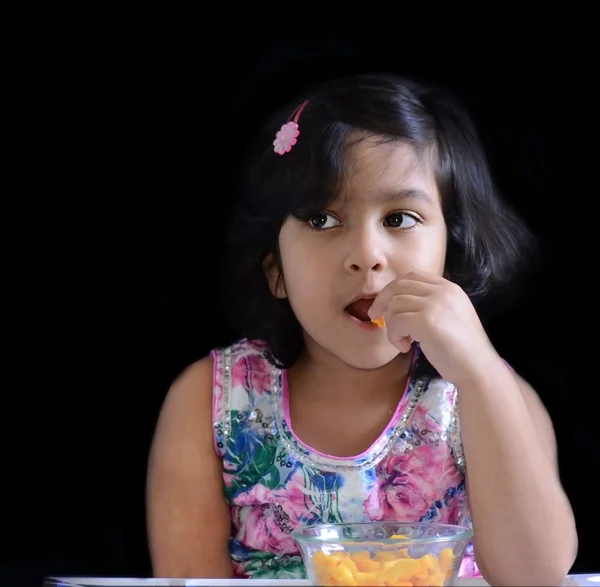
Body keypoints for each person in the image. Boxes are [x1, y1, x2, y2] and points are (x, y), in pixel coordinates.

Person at [146, 72, 577, 585]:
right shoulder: (209, 401)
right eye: (323, 220)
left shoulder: (489, 394)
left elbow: (540, 574)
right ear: (276, 271)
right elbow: (187, 579)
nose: (367, 257)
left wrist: (480, 373)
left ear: (449, 253)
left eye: (399, 218)